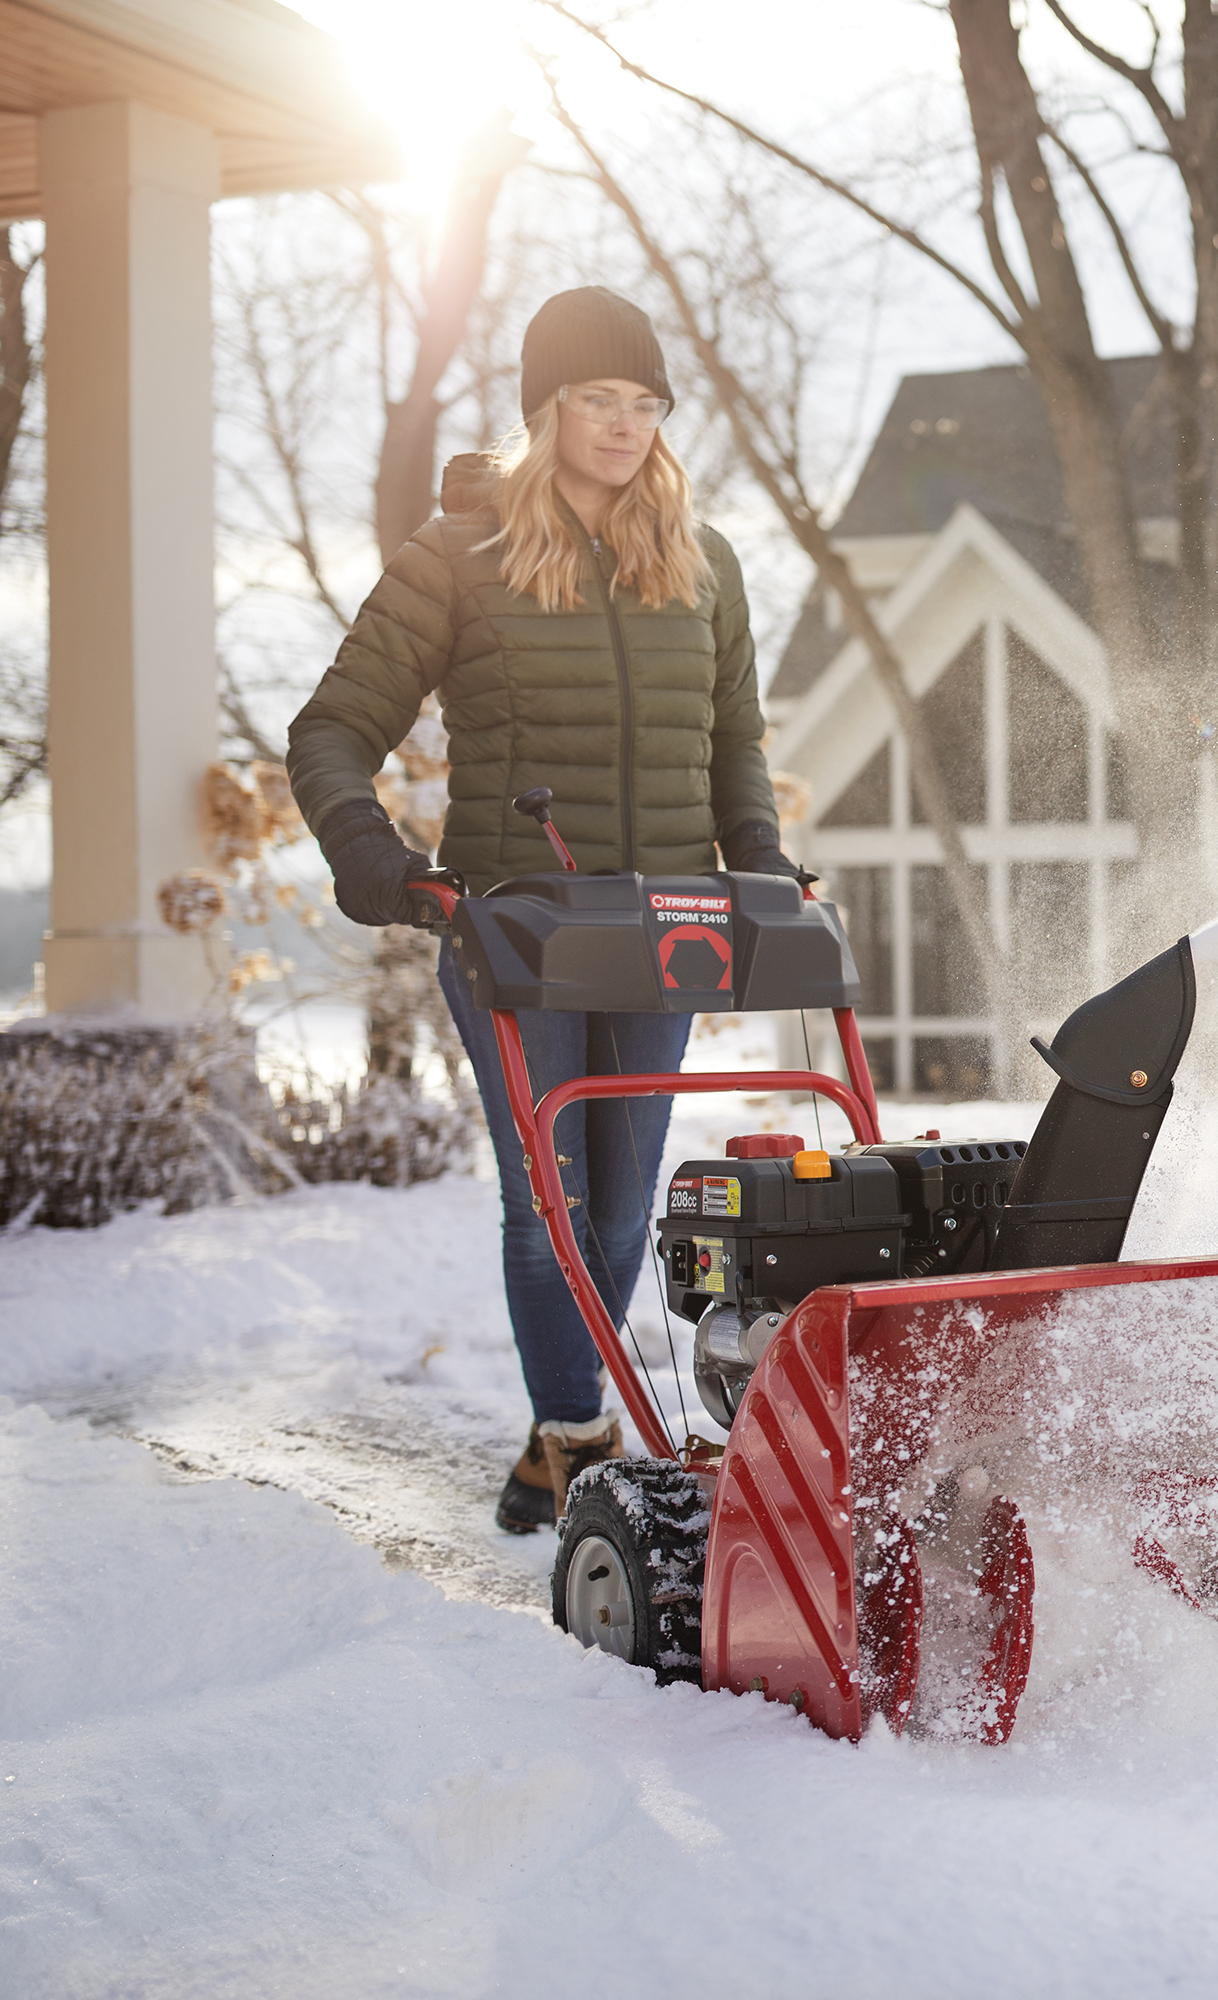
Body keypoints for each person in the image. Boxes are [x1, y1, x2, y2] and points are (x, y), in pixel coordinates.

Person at [287, 287, 801, 1534]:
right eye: (595, 399)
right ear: (544, 409)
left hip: (668, 924)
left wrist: (762, 861)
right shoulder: (457, 556)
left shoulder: (704, 557)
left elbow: (734, 740)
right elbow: (332, 729)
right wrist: (376, 855)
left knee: (625, 1206)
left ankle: (558, 1424)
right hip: (515, 925)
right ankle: (582, 1437)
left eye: (644, 402)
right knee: (547, 1199)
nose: (624, 425)